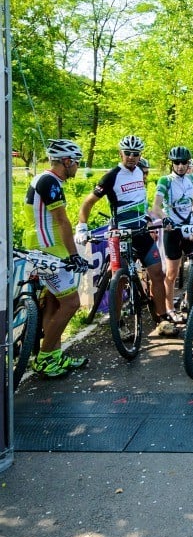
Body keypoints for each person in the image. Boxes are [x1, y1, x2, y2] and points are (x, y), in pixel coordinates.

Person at [75, 134, 177, 337]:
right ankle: (119, 322)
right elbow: (88, 202)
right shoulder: (112, 175)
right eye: (127, 153)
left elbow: (140, 202)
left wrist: (150, 218)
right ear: (120, 153)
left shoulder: (140, 172)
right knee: (118, 281)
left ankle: (162, 319)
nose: (131, 157)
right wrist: (82, 227)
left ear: (140, 155)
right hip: (120, 236)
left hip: (141, 232)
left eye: (135, 154)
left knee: (157, 274)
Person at [23, 139, 90, 378]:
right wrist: (74, 255)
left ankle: (54, 354)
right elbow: (62, 221)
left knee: (54, 302)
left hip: (47, 248)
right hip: (49, 250)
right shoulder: (49, 181)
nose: (77, 167)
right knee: (72, 303)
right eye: (77, 163)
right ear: (67, 161)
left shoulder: (48, 179)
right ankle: (43, 359)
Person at [152, 146, 193, 321]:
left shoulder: (192, 180)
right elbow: (156, 206)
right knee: (171, 273)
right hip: (173, 229)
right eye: (176, 163)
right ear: (172, 164)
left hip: (189, 228)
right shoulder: (165, 180)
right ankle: (170, 308)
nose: (180, 166)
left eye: (183, 163)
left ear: (188, 164)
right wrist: (165, 218)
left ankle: (188, 299)